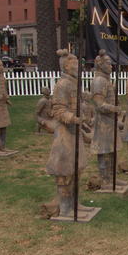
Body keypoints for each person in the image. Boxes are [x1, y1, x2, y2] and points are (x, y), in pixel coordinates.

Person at [45, 49, 91, 217]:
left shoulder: (74, 83)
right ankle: (65, 208)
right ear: (66, 66)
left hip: (75, 132)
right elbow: (58, 110)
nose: (78, 67)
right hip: (65, 133)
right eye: (75, 64)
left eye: (78, 63)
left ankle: (75, 203)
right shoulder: (62, 84)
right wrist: (73, 118)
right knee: (65, 172)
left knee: (77, 169)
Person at [90, 49, 128, 191]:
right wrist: (115, 108)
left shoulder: (106, 80)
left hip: (110, 121)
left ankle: (112, 178)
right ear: (100, 65)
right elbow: (99, 105)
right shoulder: (99, 81)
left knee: (112, 150)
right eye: (108, 63)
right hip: (103, 123)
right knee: (104, 150)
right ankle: (105, 179)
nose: (111, 66)